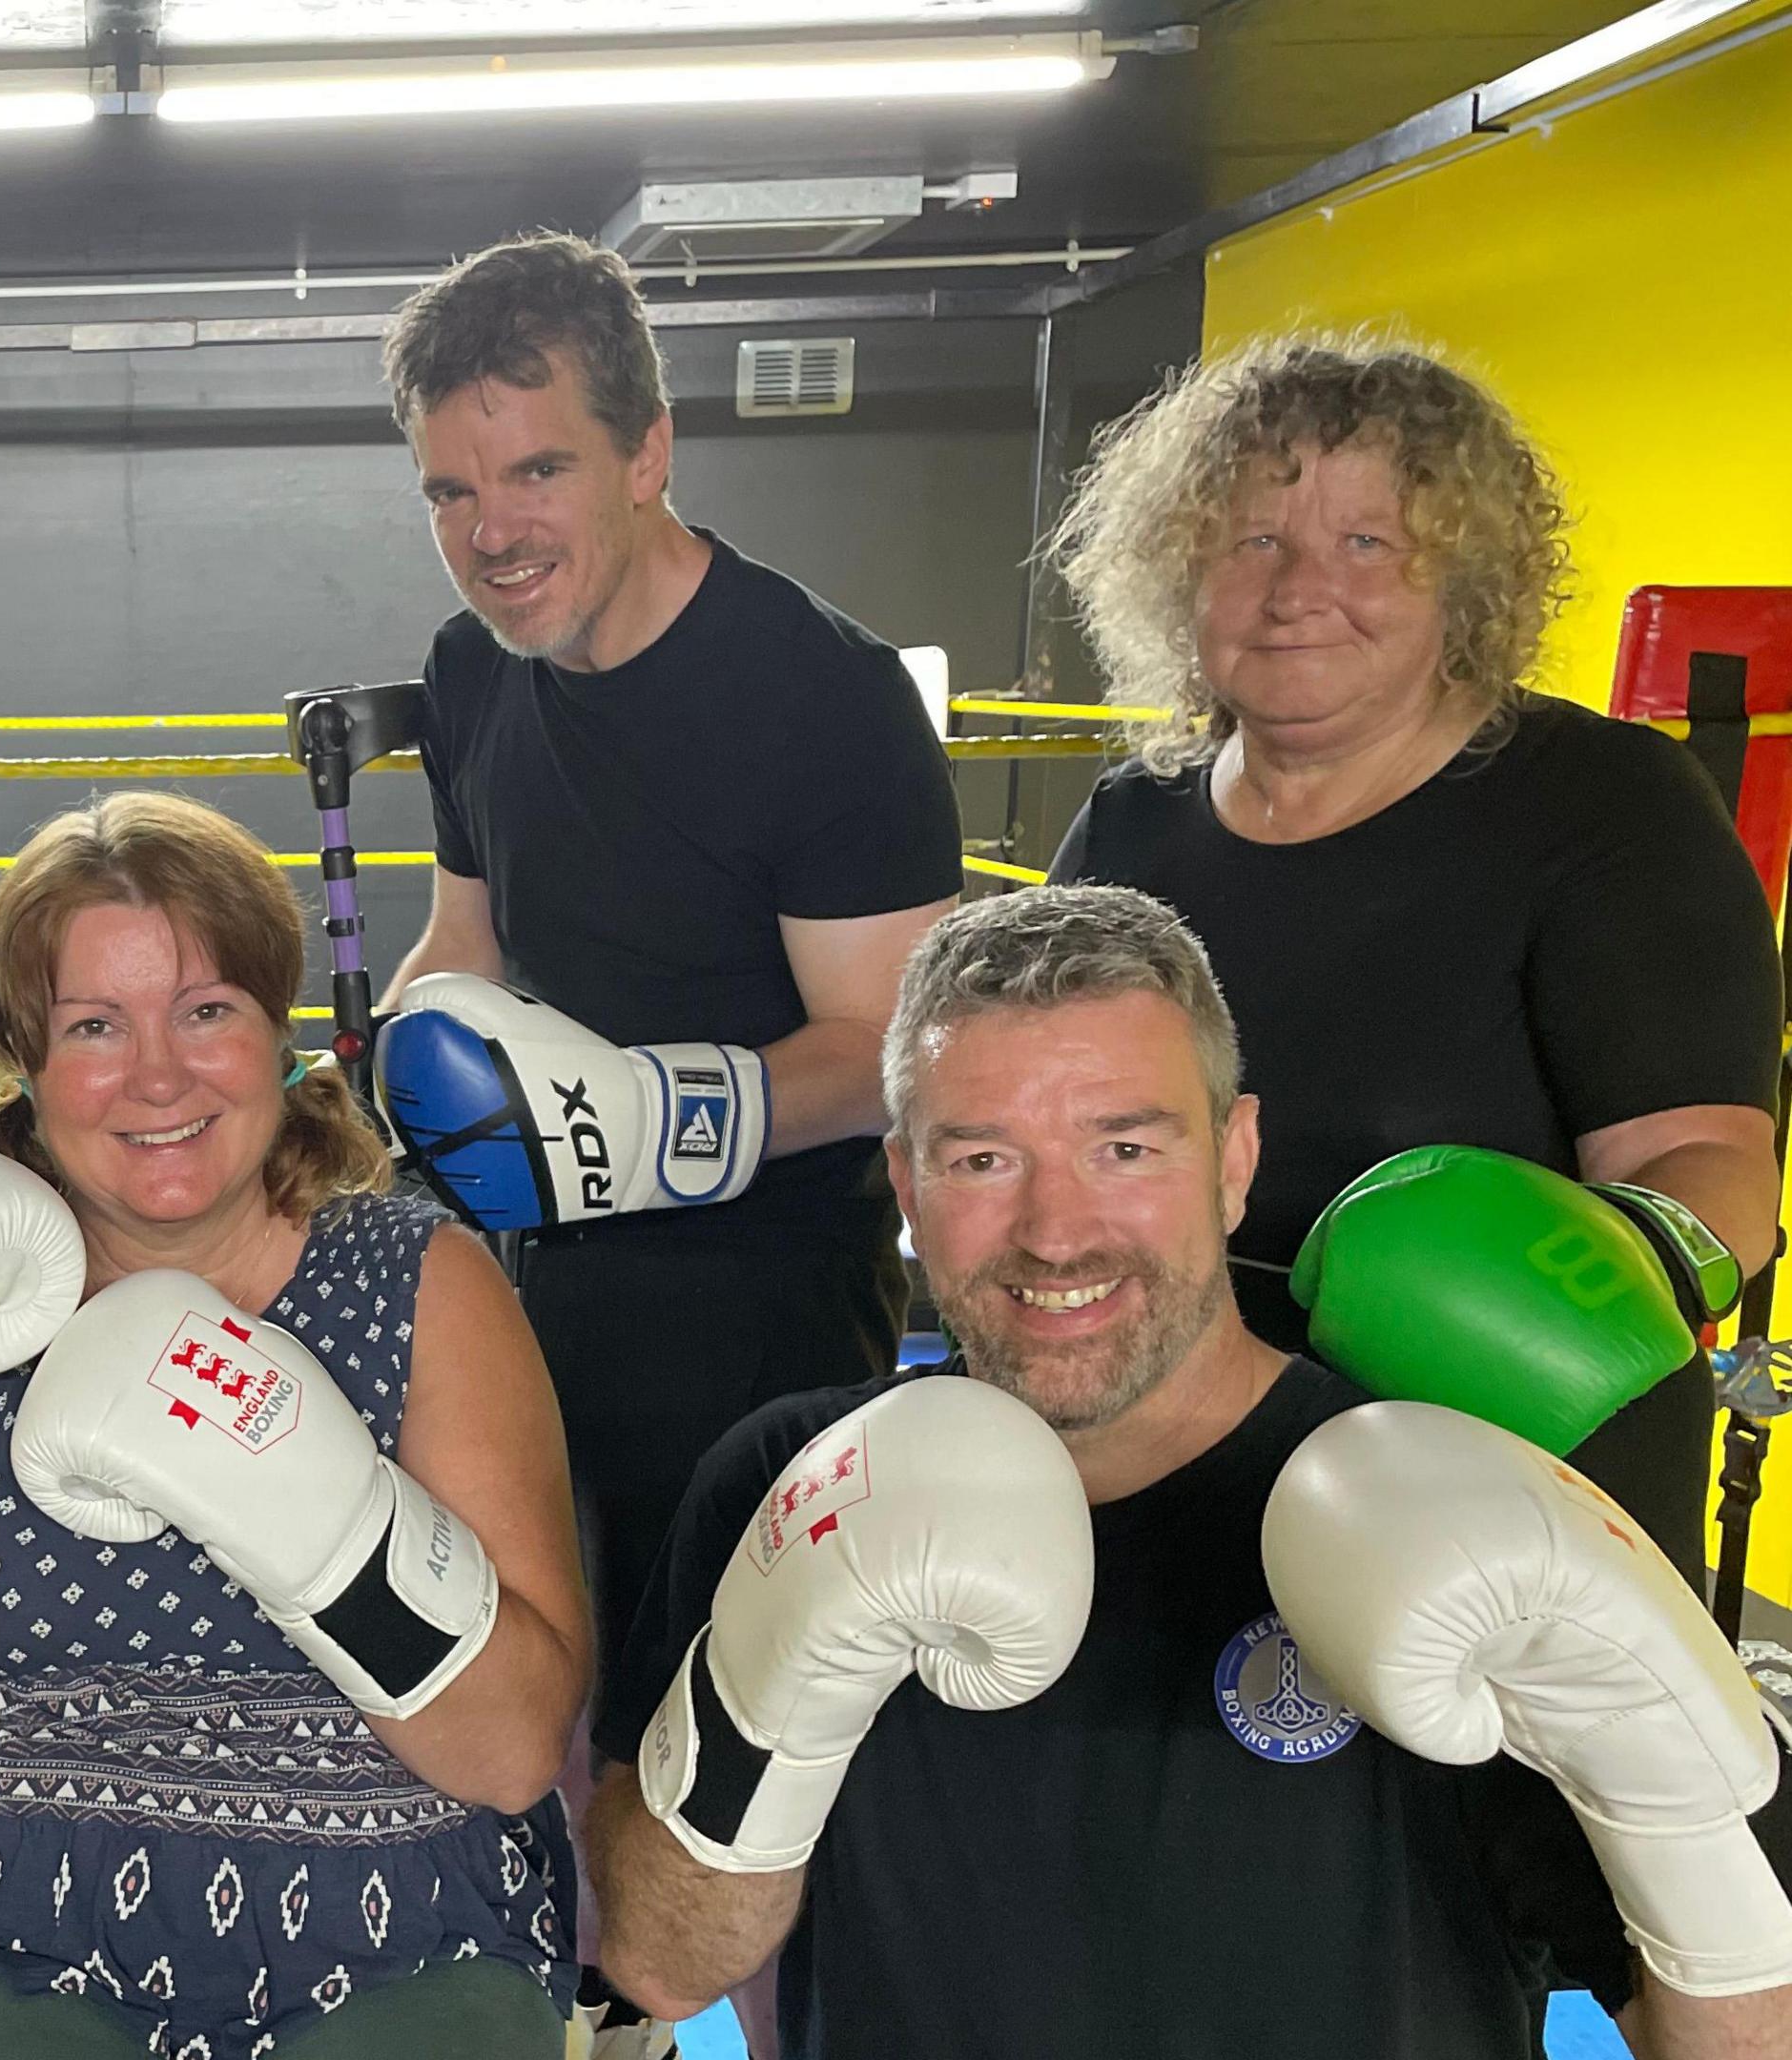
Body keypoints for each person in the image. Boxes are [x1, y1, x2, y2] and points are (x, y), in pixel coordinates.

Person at [587, 884, 1792, 2057]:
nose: (1057, 1232)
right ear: (906, 1186)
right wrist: (768, 1696)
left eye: (1124, 1147)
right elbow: (659, 1962)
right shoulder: (787, 1479)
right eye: (981, 1162)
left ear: (1234, 1159)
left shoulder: (1462, 1506)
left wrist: (1663, 1783)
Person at [0, 793, 591, 2059]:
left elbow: (518, 1746)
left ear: (275, 1029)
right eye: (95, 1025)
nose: (156, 1076)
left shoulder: (419, 1280)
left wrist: (316, 1521)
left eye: (207, 1011)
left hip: (380, 1908)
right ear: (25, 1060)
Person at [1048, 334, 1782, 1573]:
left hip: (1490, 1503)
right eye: (1254, 540)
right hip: (1168, 1478)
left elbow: (1707, 1160)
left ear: (1466, 579)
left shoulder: (1603, 803)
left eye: (1368, 543)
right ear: (1182, 572)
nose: (1297, 592)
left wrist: (1547, 1314)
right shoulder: (1131, 822)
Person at [370, 232, 963, 1683]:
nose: (491, 532)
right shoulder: (471, 668)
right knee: (517, 1686)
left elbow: (897, 1051)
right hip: (525, 1281)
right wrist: (365, 1092)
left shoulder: (824, 697)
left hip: (759, 1315)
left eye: (537, 472)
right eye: (451, 489)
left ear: (648, 453)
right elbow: (466, 942)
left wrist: (642, 1123)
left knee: (721, 1731)